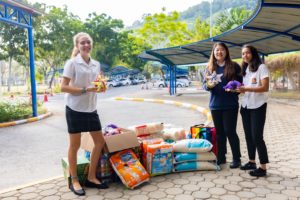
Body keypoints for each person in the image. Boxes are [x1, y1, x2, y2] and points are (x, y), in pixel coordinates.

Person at [61, 32, 108, 196]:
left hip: (91, 108)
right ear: (77, 46)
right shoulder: (72, 63)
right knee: (75, 145)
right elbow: (63, 87)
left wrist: (102, 85)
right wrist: (84, 89)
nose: (86, 45)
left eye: (88, 42)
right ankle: (74, 180)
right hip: (74, 109)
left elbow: (97, 82)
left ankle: (91, 177)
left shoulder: (96, 63)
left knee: (100, 142)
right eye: (82, 43)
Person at [203, 42, 242, 168]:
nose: (219, 52)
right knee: (219, 133)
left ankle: (236, 158)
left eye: (222, 50)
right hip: (215, 105)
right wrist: (209, 85)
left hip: (230, 105)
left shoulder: (234, 66)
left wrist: (235, 87)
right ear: (213, 53)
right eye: (217, 50)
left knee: (230, 131)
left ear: (226, 52)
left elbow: (241, 84)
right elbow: (205, 86)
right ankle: (221, 157)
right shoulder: (209, 68)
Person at [237, 44, 269, 177]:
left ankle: (263, 167)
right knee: (249, 136)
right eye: (243, 53)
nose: (245, 56)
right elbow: (245, 87)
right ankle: (251, 161)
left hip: (258, 106)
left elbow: (265, 87)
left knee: (257, 136)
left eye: (247, 53)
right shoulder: (245, 69)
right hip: (245, 106)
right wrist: (238, 89)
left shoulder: (262, 67)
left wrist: (247, 89)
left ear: (253, 54)